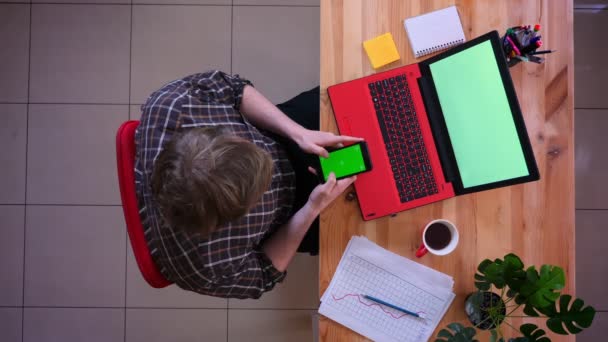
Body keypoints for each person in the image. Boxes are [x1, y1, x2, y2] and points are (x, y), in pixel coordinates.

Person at [135, 70, 361, 299]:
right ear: (231, 218)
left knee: (358, 101)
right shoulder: (204, 267)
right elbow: (264, 273)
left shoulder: (173, 105)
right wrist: (311, 209)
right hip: (293, 214)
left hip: (282, 135)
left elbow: (234, 89)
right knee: (371, 224)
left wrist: (299, 133)